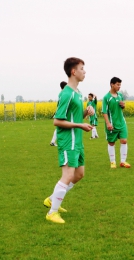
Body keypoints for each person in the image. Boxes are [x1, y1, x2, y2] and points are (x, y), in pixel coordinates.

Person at [44, 57, 94, 224]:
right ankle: (52, 212)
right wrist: (80, 125)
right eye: (82, 68)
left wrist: (86, 113)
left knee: (79, 174)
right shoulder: (66, 93)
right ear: (73, 71)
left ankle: (52, 199)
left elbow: (75, 116)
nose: (84, 71)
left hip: (77, 141)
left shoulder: (78, 94)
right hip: (68, 141)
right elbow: (57, 121)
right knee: (68, 175)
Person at [102, 77, 130, 169]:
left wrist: (123, 106)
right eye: (118, 84)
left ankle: (123, 161)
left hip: (121, 122)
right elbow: (104, 112)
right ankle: (113, 162)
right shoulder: (106, 97)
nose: (119, 86)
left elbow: (122, 107)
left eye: (120, 85)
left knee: (124, 141)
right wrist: (108, 123)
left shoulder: (120, 95)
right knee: (111, 142)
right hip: (112, 124)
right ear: (112, 84)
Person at [50, 81, 67, 146]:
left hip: (59, 112)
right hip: (61, 113)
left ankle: (53, 141)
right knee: (60, 128)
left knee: (59, 128)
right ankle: (53, 141)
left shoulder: (61, 93)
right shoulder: (64, 93)